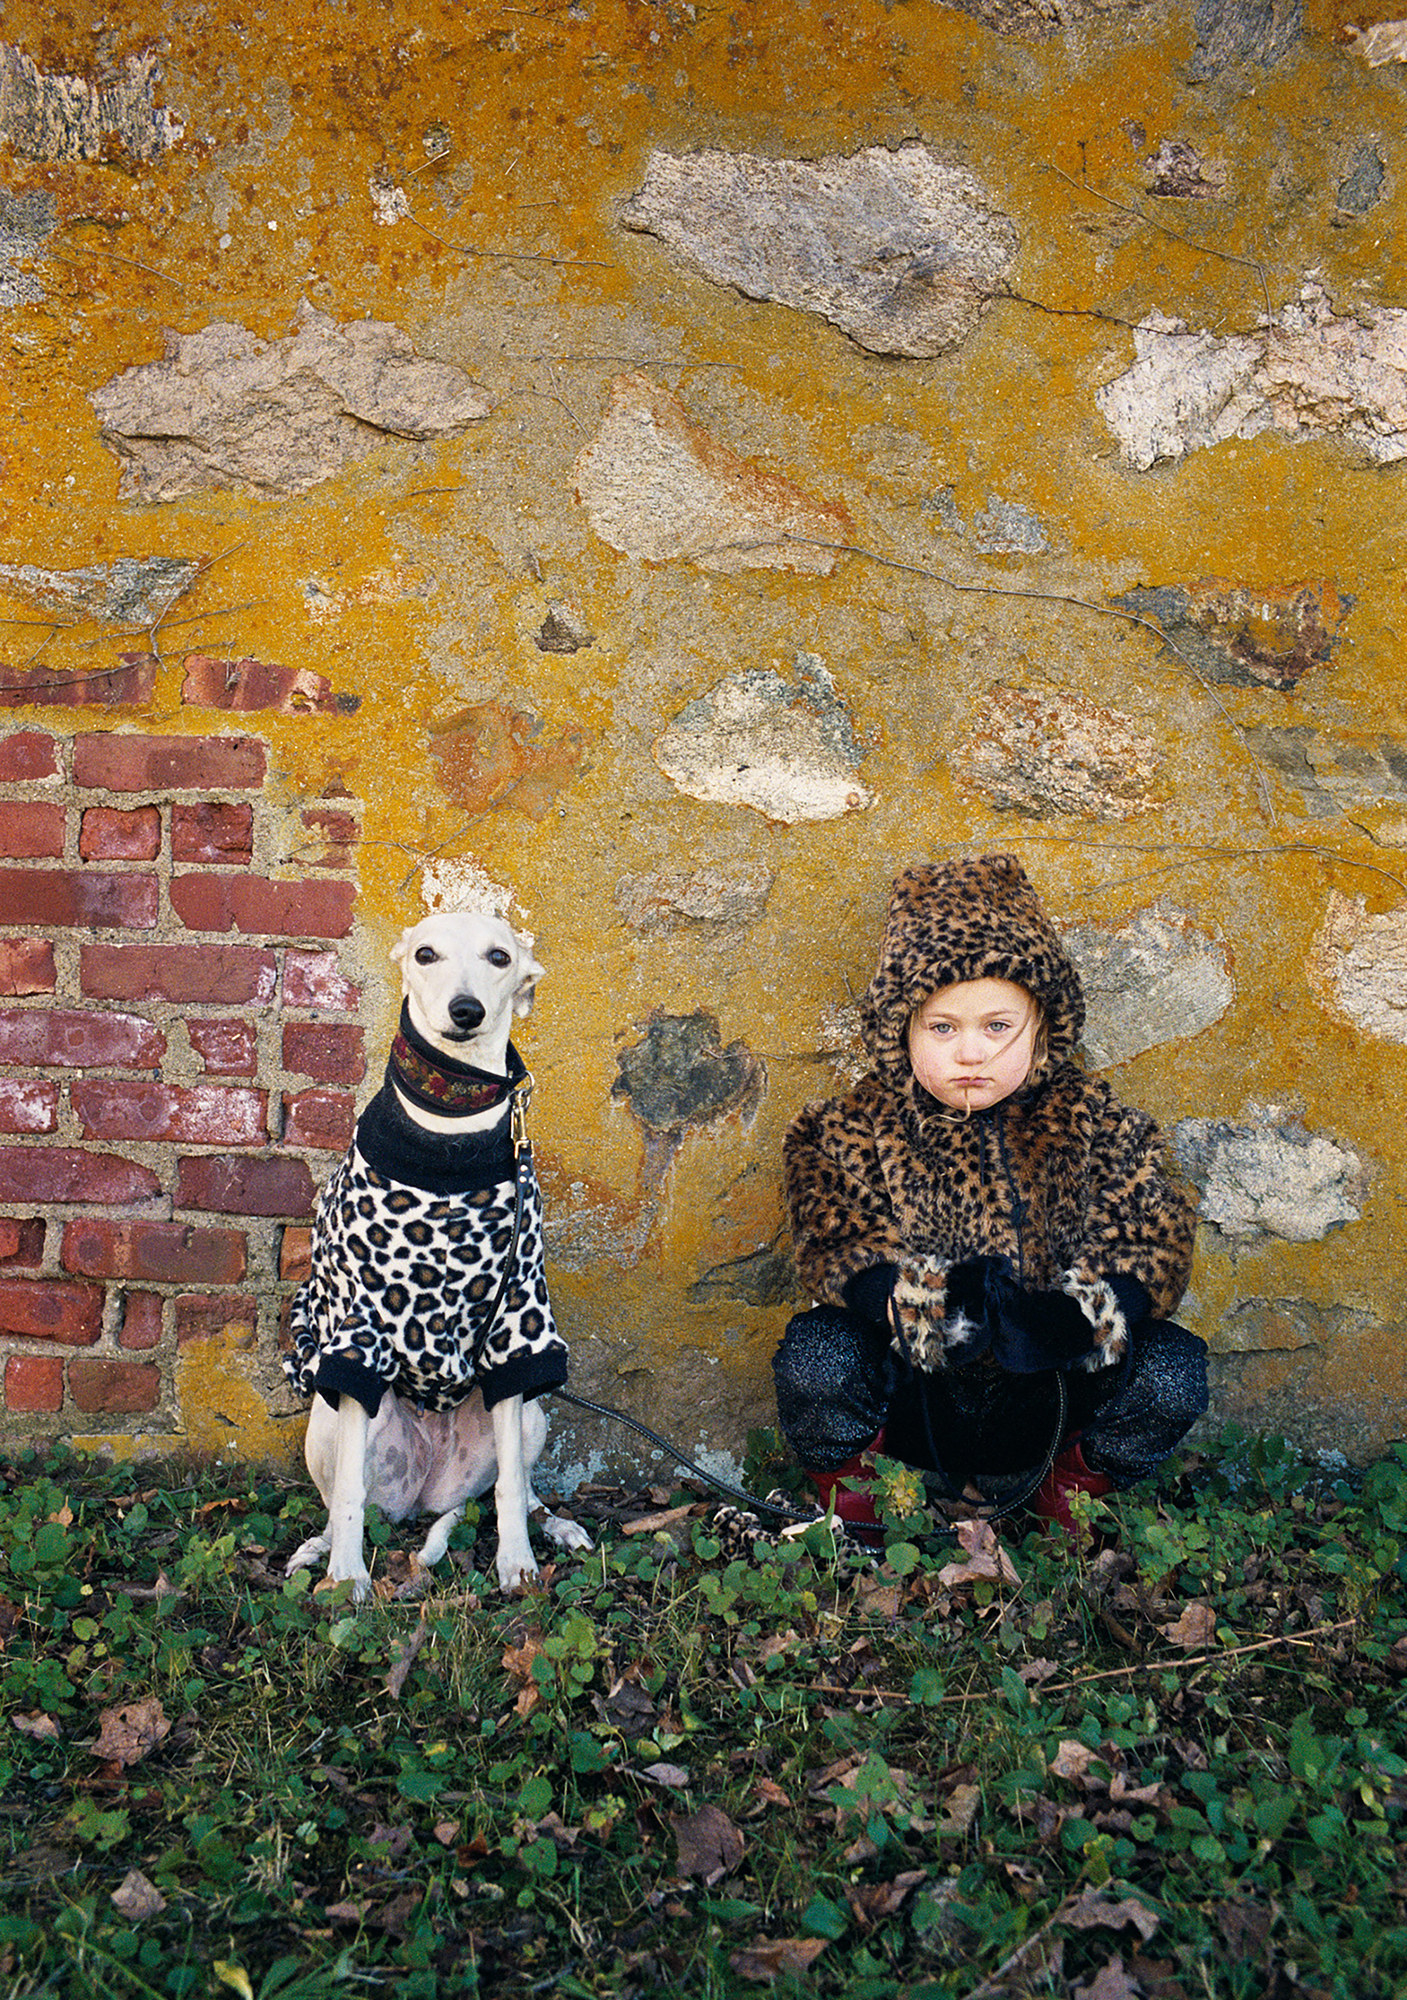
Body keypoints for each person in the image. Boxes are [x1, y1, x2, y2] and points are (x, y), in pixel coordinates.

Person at [774, 854, 1208, 1535]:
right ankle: (863, 1499)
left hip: (1050, 1394)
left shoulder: (1094, 1121)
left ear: (1040, 1031)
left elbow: (1151, 1234)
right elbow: (838, 1237)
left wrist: (1072, 1320)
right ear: (902, 1029)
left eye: (995, 1027)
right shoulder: (851, 1127)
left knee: (1173, 1368)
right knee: (815, 1353)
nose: (969, 1053)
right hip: (913, 1390)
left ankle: (1062, 1488)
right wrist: (921, 1307)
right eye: (942, 1028)